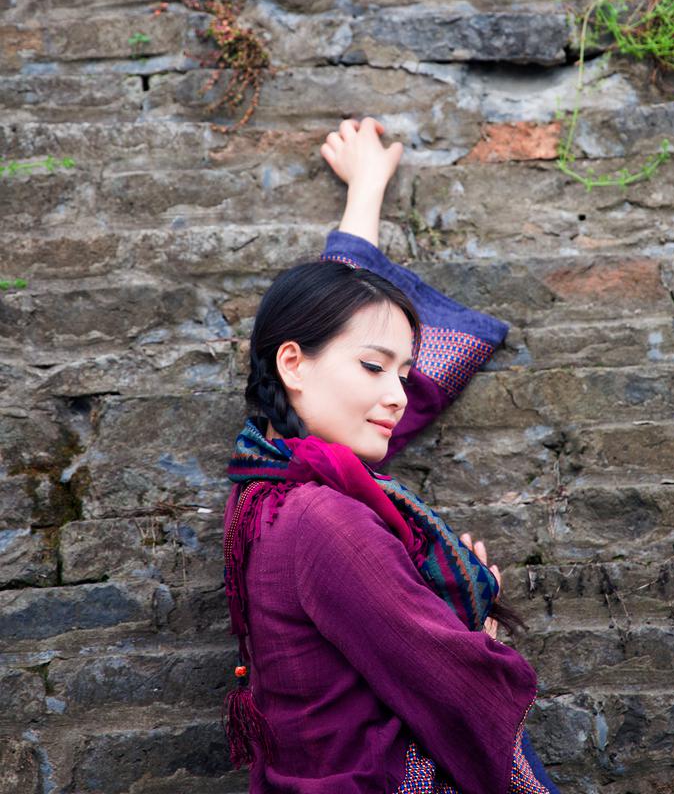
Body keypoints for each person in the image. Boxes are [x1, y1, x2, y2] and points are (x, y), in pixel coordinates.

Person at [222, 117, 562, 794]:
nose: (400, 396)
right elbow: (454, 684)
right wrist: (477, 625)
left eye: (404, 374)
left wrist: (366, 193)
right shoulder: (324, 517)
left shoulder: (267, 482)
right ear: (292, 363)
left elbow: (336, 326)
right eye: (376, 368)